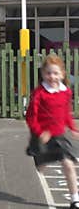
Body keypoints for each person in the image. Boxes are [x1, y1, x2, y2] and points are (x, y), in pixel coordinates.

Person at [26, 54, 79, 209]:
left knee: (68, 164)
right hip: (42, 136)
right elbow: (30, 116)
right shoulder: (39, 93)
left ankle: (75, 199)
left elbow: (66, 112)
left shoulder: (66, 92)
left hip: (59, 135)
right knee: (41, 167)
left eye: (55, 73)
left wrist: (73, 128)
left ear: (62, 74)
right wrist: (40, 131)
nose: (52, 77)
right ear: (43, 74)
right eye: (48, 73)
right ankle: (39, 156)